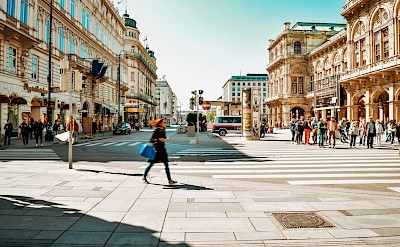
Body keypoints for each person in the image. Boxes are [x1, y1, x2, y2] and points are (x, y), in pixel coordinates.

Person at [142, 118, 177, 185]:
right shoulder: (156, 130)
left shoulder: (163, 130)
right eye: (164, 122)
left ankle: (169, 180)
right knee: (151, 164)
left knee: (166, 164)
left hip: (162, 150)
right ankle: (144, 176)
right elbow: (151, 140)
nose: (165, 123)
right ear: (160, 123)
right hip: (157, 150)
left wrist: (164, 139)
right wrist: (158, 139)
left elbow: (163, 138)